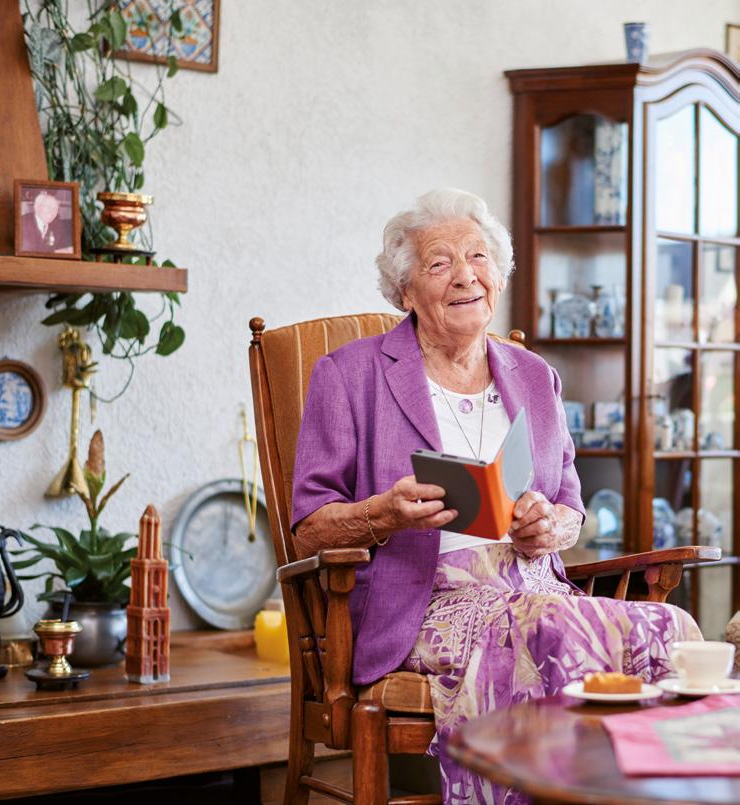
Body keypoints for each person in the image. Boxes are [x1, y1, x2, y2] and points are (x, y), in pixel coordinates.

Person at [291, 188, 700, 805]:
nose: (465, 276)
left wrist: (549, 526)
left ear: (498, 276)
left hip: (536, 589)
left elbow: (568, 503)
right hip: (424, 603)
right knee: (552, 628)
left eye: (478, 257)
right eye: (439, 263)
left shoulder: (534, 375)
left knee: (677, 630)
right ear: (406, 291)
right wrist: (384, 514)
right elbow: (309, 528)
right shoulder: (349, 376)